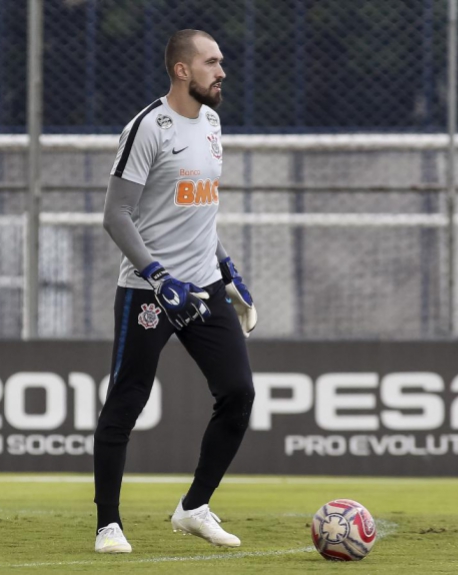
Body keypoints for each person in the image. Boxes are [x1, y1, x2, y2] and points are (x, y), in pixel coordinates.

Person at [93, 29, 258, 554]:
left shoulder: (211, 122)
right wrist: (160, 278)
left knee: (238, 394)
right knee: (126, 401)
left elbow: (199, 210)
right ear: (182, 70)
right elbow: (115, 215)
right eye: (212, 62)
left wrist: (225, 266)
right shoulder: (148, 128)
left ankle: (194, 508)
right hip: (149, 291)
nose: (222, 71)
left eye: (222, 62)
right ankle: (108, 525)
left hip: (205, 288)